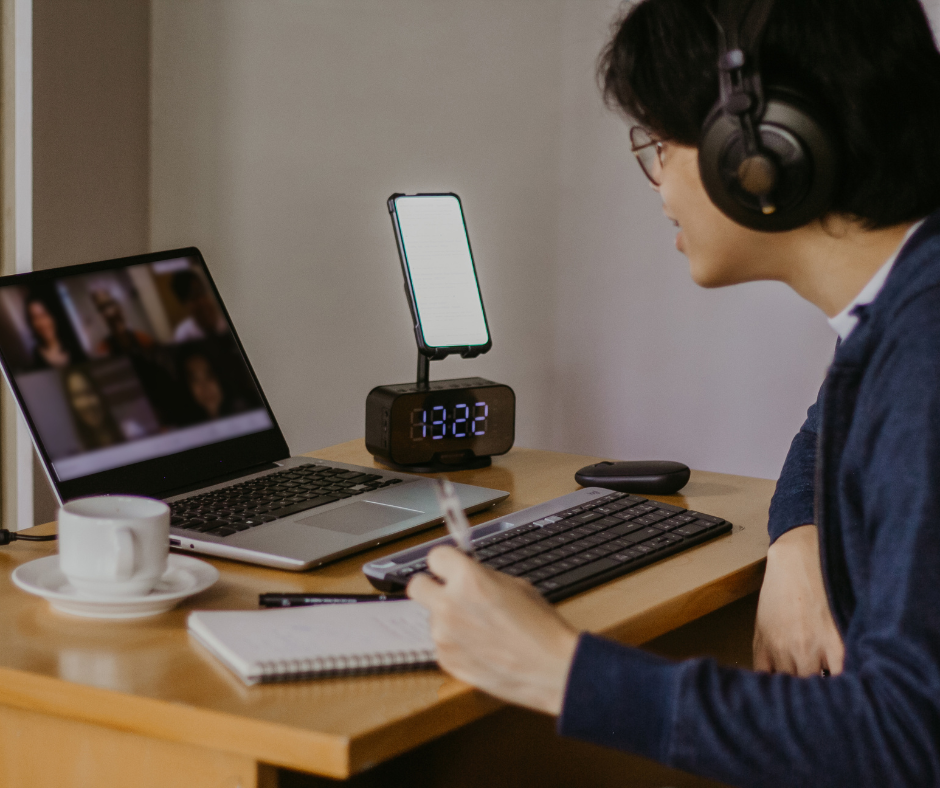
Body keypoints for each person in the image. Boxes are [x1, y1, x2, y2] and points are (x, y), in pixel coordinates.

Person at [406, 0, 940, 785]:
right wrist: (799, 536)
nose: (656, 179)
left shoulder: (924, 352)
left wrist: (557, 667)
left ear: (759, 152)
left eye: (661, 142)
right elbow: (829, 426)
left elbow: (905, 745)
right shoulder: (900, 311)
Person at [64, 368, 123, 450]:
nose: (87, 403)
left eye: (89, 392)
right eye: (77, 395)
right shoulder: (76, 454)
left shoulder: (131, 431)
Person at [23, 294, 84, 370]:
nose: (42, 323)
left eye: (44, 314)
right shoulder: (35, 360)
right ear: (31, 323)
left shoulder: (74, 347)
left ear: (53, 316)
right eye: (35, 318)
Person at [90, 287, 154, 356]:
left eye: (109, 304)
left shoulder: (142, 338)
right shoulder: (102, 348)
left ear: (118, 306)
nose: (108, 311)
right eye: (102, 308)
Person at [170, 269, 228, 342]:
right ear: (184, 304)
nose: (201, 301)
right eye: (193, 297)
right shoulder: (184, 333)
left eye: (202, 292)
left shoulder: (228, 320)